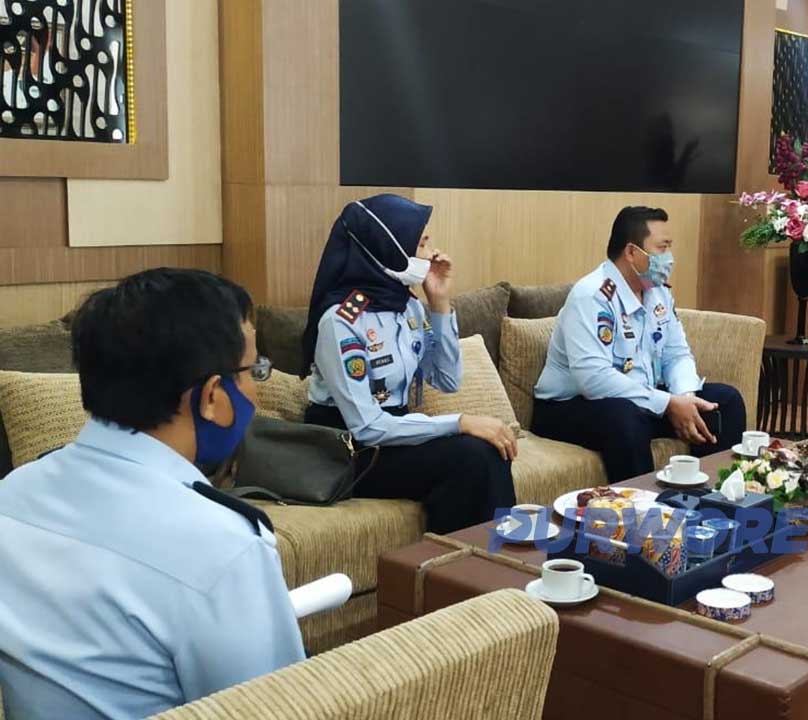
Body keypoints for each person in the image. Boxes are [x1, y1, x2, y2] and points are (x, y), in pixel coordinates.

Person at [0, 269, 305, 719]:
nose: (255, 392)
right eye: (252, 371)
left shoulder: (12, 495)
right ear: (211, 396)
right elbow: (272, 708)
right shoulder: (222, 546)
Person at [302, 194, 516, 533]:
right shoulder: (341, 321)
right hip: (349, 451)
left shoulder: (407, 307)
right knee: (472, 458)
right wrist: (459, 422)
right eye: (421, 243)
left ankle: (497, 555)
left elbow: (447, 380)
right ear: (389, 248)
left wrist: (440, 303)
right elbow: (366, 427)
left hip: (393, 436)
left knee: (488, 451)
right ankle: (471, 558)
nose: (431, 253)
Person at [532, 206, 747, 484]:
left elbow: (676, 354)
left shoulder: (657, 291)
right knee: (625, 418)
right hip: (568, 407)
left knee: (725, 401)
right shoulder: (592, 296)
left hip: (639, 399)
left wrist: (684, 397)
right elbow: (594, 379)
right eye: (662, 248)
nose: (669, 258)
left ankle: (712, 500)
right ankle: (643, 508)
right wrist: (667, 403)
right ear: (632, 252)